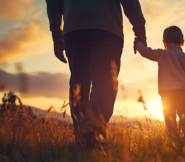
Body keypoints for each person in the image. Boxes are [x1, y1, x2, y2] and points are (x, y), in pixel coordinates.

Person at [45, 0, 147, 148]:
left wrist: (56, 33)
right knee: (105, 76)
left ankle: (82, 137)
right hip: (107, 25)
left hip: (74, 26)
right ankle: (94, 125)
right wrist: (140, 31)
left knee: (78, 82)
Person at [135, 26, 185, 138]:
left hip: (167, 94)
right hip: (183, 93)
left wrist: (138, 44)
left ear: (164, 42)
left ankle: (174, 143)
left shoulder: (161, 54)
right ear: (182, 42)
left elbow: (146, 52)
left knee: (170, 122)